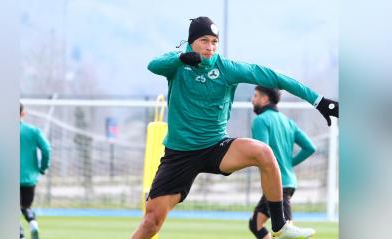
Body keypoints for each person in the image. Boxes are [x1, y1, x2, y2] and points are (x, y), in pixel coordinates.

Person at [131, 16, 338, 239]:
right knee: (151, 222)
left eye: (214, 41)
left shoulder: (228, 69)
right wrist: (182, 59)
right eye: (204, 40)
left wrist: (319, 101)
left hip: (216, 147)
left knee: (264, 153)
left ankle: (279, 225)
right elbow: (153, 65)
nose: (210, 47)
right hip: (179, 155)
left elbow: (276, 78)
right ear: (191, 42)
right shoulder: (177, 64)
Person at [248, 86, 317, 239]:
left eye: (255, 96)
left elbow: (261, 152)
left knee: (287, 233)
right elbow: (310, 147)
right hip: (288, 181)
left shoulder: (260, 121)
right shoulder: (288, 122)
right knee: (256, 224)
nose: (252, 100)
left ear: (265, 99)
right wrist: (289, 164)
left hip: (278, 183)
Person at [20, 103, 51, 239]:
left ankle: (19, 234)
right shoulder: (34, 131)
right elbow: (47, 149)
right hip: (29, 179)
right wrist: (43, 167)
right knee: (25, 206)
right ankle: (33, 222)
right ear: (23, 114)